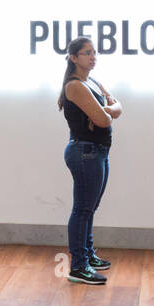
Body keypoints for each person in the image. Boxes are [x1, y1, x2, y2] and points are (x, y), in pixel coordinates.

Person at [60, 37, 121, 285]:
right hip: (85, 152)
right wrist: (107, 111)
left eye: (94, 53)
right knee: (82, 210)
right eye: (87, 53)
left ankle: (88, 256)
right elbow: (105, 119)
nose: (92, 57)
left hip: (97, 151)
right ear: (73, 58)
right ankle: (78, 267)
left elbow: (117, 105)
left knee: (89, 209)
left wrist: (107, 109)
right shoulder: (74, 86)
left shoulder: (92, 81)